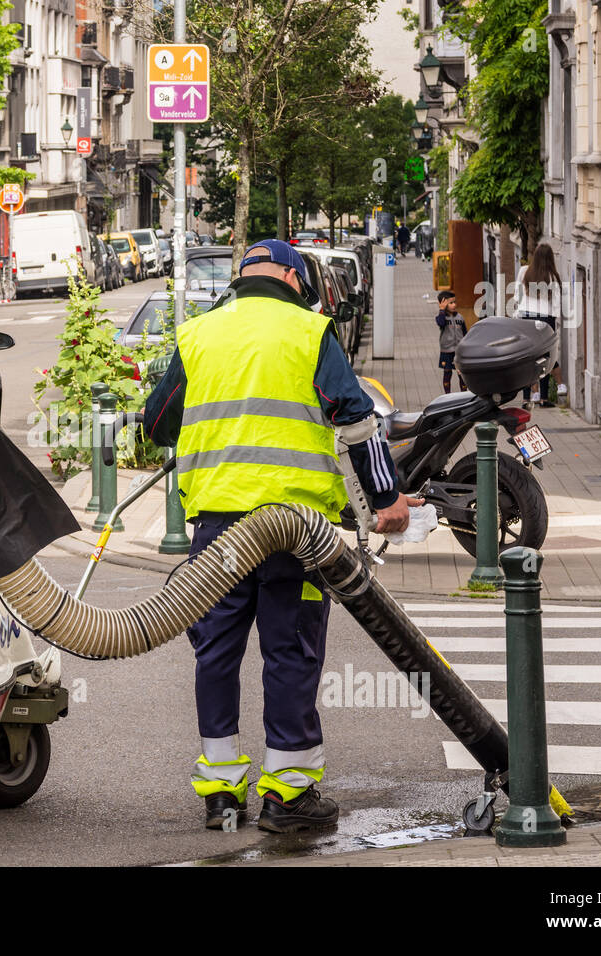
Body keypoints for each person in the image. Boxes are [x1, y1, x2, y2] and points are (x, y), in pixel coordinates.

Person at [142, 239, 422, 834]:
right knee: (289, 652)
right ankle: (288, 798)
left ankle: (221, 796)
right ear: (296, 281)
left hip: (218, 532)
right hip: (297, 534)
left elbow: (158, 420)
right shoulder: (309, 331)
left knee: (216, 652)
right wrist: (386, 500)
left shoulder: (198, 334)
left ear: (239, 280)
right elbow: (356, 419)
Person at [514, 243, 564, 408]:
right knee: (545, 358)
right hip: (545, 318)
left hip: (525, 316)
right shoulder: (553, 276)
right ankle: (543, 398)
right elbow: (556, 305)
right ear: (551, 258)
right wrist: (555, 327)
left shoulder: (524, 271)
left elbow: (517, 296)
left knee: (527, 357)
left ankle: (527, 398)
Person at [436, 290, 467, 394]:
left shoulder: (460, 317)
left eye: (455, 302)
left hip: (459, 351)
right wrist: (441, 310)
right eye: (451, 303)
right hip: (446, 351)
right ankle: (447, 395)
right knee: (447, 373)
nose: (454, 305)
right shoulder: (441, 318)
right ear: (444, 305)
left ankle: (464, 395)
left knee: (461, 373)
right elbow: (440, 323)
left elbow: (465, 332)